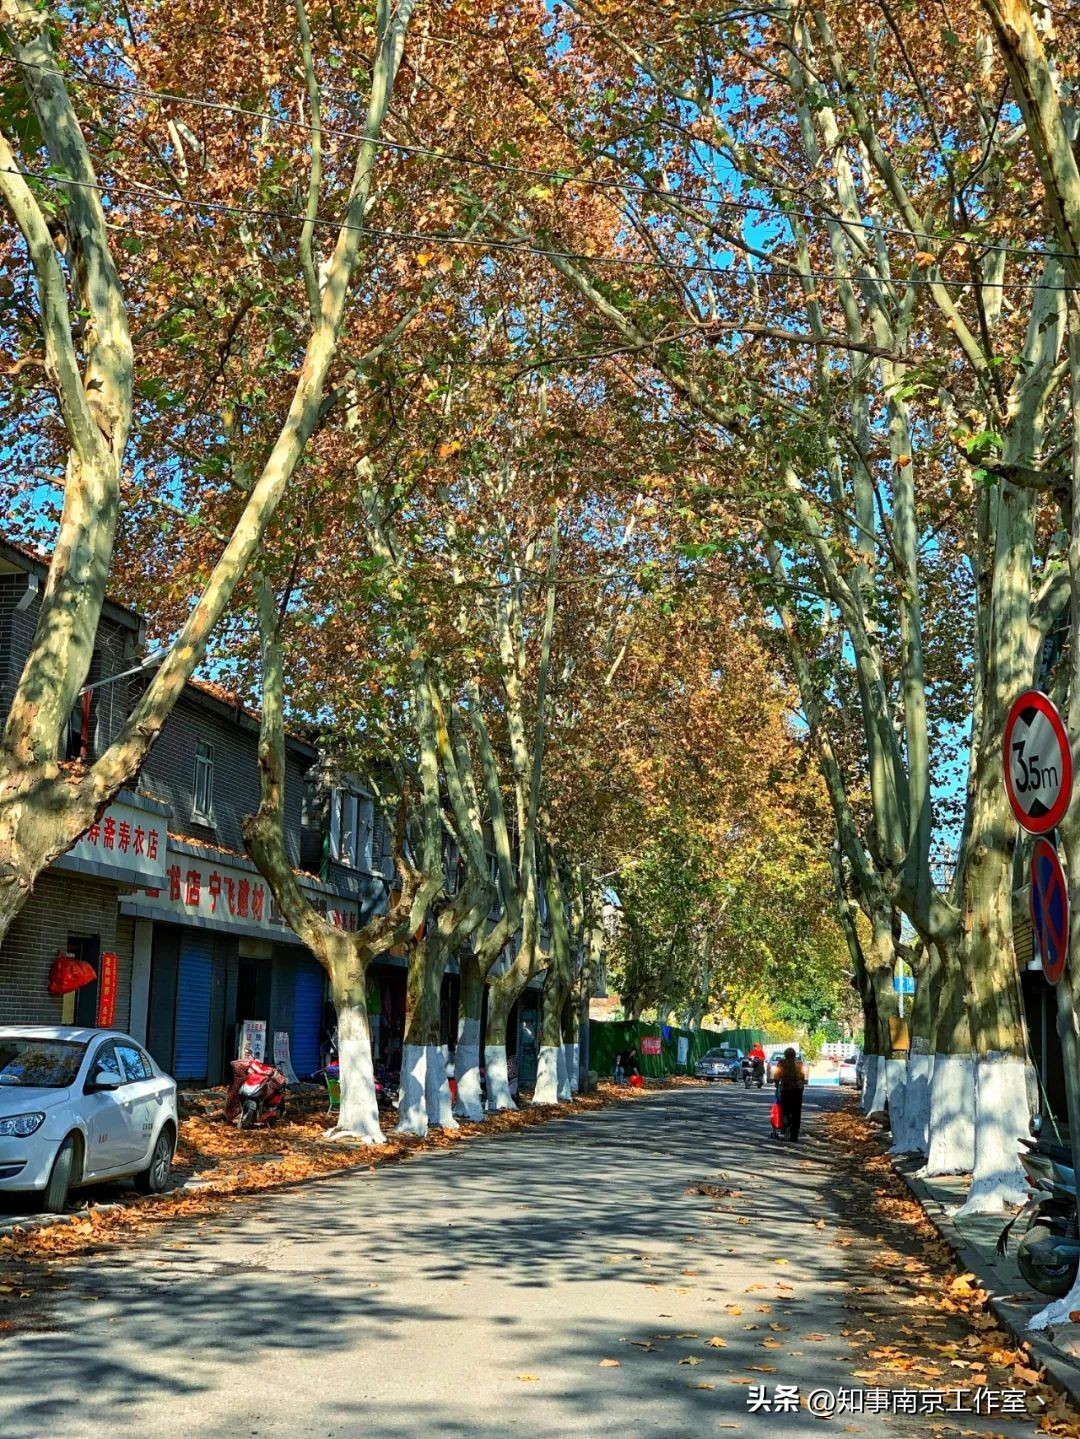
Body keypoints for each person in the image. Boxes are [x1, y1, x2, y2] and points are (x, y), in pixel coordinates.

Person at [775, 1046, 806, 1141]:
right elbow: (803, 1076)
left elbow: (777, 1075)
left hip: (785, 1090)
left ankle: (786, 1124)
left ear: (785, 1055)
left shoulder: (781, 1063)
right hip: (798, 1090)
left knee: (785, 1109)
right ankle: (794, 1135)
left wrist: (776, 1085)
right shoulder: (799, 1063)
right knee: (797, 1112)